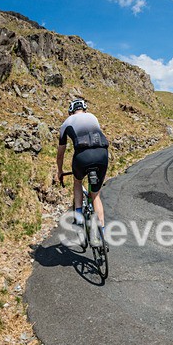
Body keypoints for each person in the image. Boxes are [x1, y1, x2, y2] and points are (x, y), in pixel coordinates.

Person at [56, 98, 109, 246]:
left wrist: (59, 171)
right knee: (96, 195)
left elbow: (60, 154)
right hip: (102, 155)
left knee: (77, 181)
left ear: (71, 111)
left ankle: (78, 215)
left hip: (82, 157)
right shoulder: (93, 117)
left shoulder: (66, 123)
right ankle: (102, 234)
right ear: (84, 109)